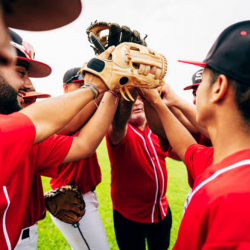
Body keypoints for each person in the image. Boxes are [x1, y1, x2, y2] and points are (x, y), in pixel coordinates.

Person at [0, 31, 118, 250]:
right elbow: (68, 125)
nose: (27, 85)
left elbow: (84, 145)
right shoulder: (15, 130)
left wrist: (113, 90)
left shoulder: (25, 138)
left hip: (25, 234)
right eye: (19, 71)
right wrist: (96, 87)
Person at [142, 20, 250, 249]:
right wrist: (156, 101)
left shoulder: (222, 195)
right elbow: (189, 150)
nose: (196, 91)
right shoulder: (225, 163)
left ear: (219, 87)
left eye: (203, 80)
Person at [49, 68, 110, 250]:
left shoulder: (86, 112)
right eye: (81, 85)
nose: (88, 90)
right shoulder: (59, 113)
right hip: (68, 198)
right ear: (65, 88)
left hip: (84, 194)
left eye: (89, 85)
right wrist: (105, 86)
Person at [106, 92, 172, 250]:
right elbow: (118, 125)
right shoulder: (119, 131)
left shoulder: (157, 128)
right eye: (131, 99)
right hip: (129, 216)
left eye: (140, 98)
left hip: (161, 211)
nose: (136, 103)